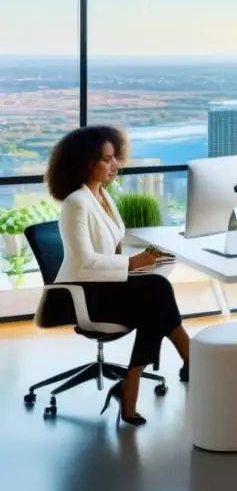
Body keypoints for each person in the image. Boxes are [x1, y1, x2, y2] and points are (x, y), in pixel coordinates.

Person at [45, 126, 190, 427]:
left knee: (156, 293)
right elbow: (84, 263)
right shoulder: (76, 204)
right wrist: (134, 263)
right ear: (86, 163)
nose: (116, 166)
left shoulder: (104, 198)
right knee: (157, 293)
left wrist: (145, 263)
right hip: (85, 295)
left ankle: (133, 383)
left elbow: (113, 246)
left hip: (110, 287)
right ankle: (185, 362)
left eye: (115, 158)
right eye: (106, 160)